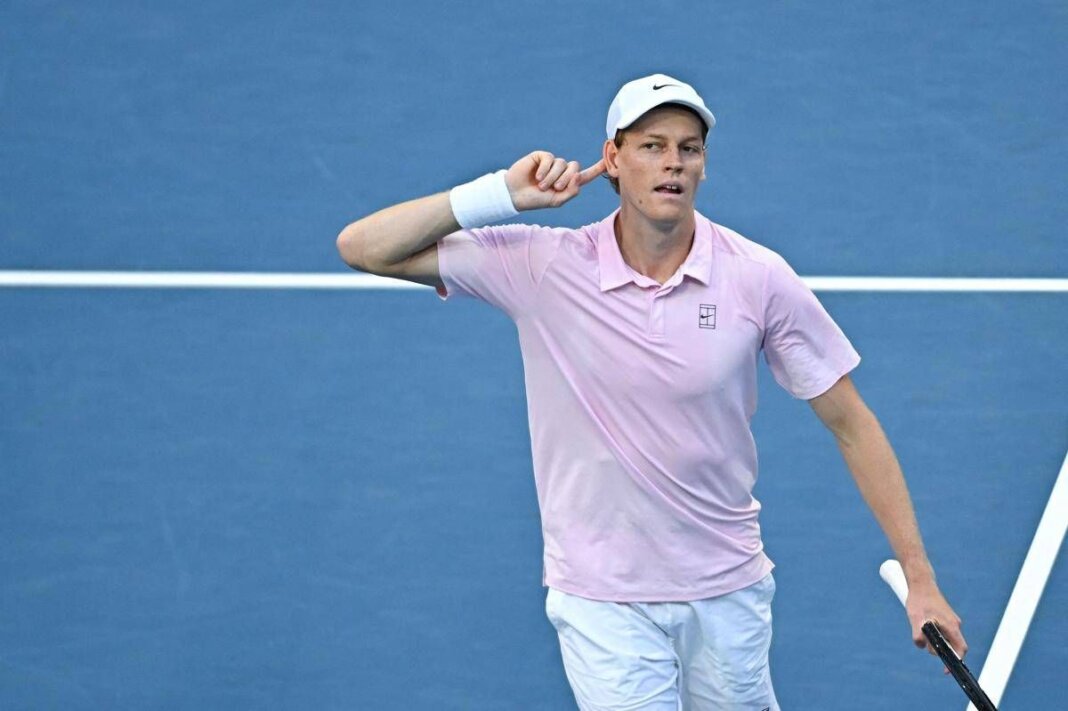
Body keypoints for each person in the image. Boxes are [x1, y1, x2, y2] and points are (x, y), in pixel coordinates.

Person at [336, 73, 967, 710]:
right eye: (652, 145)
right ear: (612, 159)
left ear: (704, 165)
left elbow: (851, 423)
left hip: (726, 587)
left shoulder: (757, 277)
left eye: (689, 148)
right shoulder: (543, 265)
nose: (673, 163)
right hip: (601, 597)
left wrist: (921, 579)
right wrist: (500, 193)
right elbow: (363, 248)